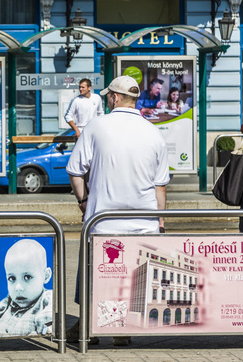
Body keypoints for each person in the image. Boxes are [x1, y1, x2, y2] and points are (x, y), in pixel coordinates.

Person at [65, 75, 169, 346]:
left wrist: (83, 201)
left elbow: (75, 171)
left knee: (92, 274)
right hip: (144, 223)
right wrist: (159, 222)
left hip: (104, 222)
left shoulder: (97, 127)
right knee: (133, 279)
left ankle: (87, 325)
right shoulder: (153, 132)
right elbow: (160, 187)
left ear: (113, 97)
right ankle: (121, 330)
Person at [0, 239, 53, 337]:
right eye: (12, 278)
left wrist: (37, 335)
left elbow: (46, 325)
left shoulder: (47, 299)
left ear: (46, 276)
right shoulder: (5, 304)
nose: (18, 287)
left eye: (27, 277)